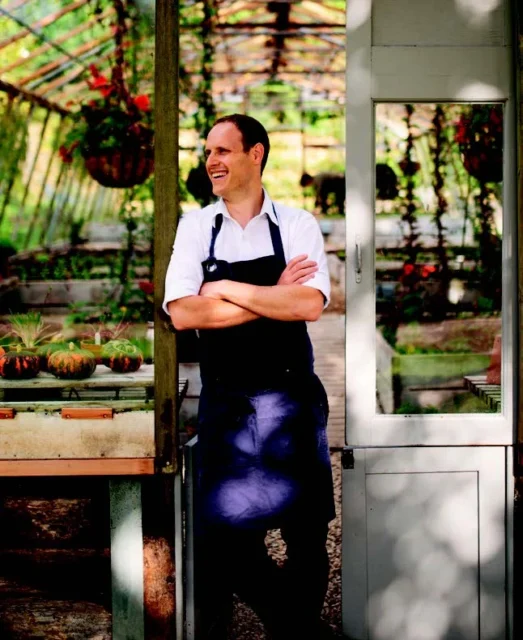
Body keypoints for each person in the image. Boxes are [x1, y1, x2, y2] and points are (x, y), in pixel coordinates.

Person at [163, 114, 335, 639]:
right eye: (207, 151)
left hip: (290, 402)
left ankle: (293, 631)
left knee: (307, 536)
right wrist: (268, 296)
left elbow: (307, 303)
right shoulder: (196, 226)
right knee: (230, 541)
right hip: (228, 404)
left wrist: (223, 289)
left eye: (223, 151)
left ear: (255, 154)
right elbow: (183, 314)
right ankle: (298, 630)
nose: (211, 161)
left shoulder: (298, 224)